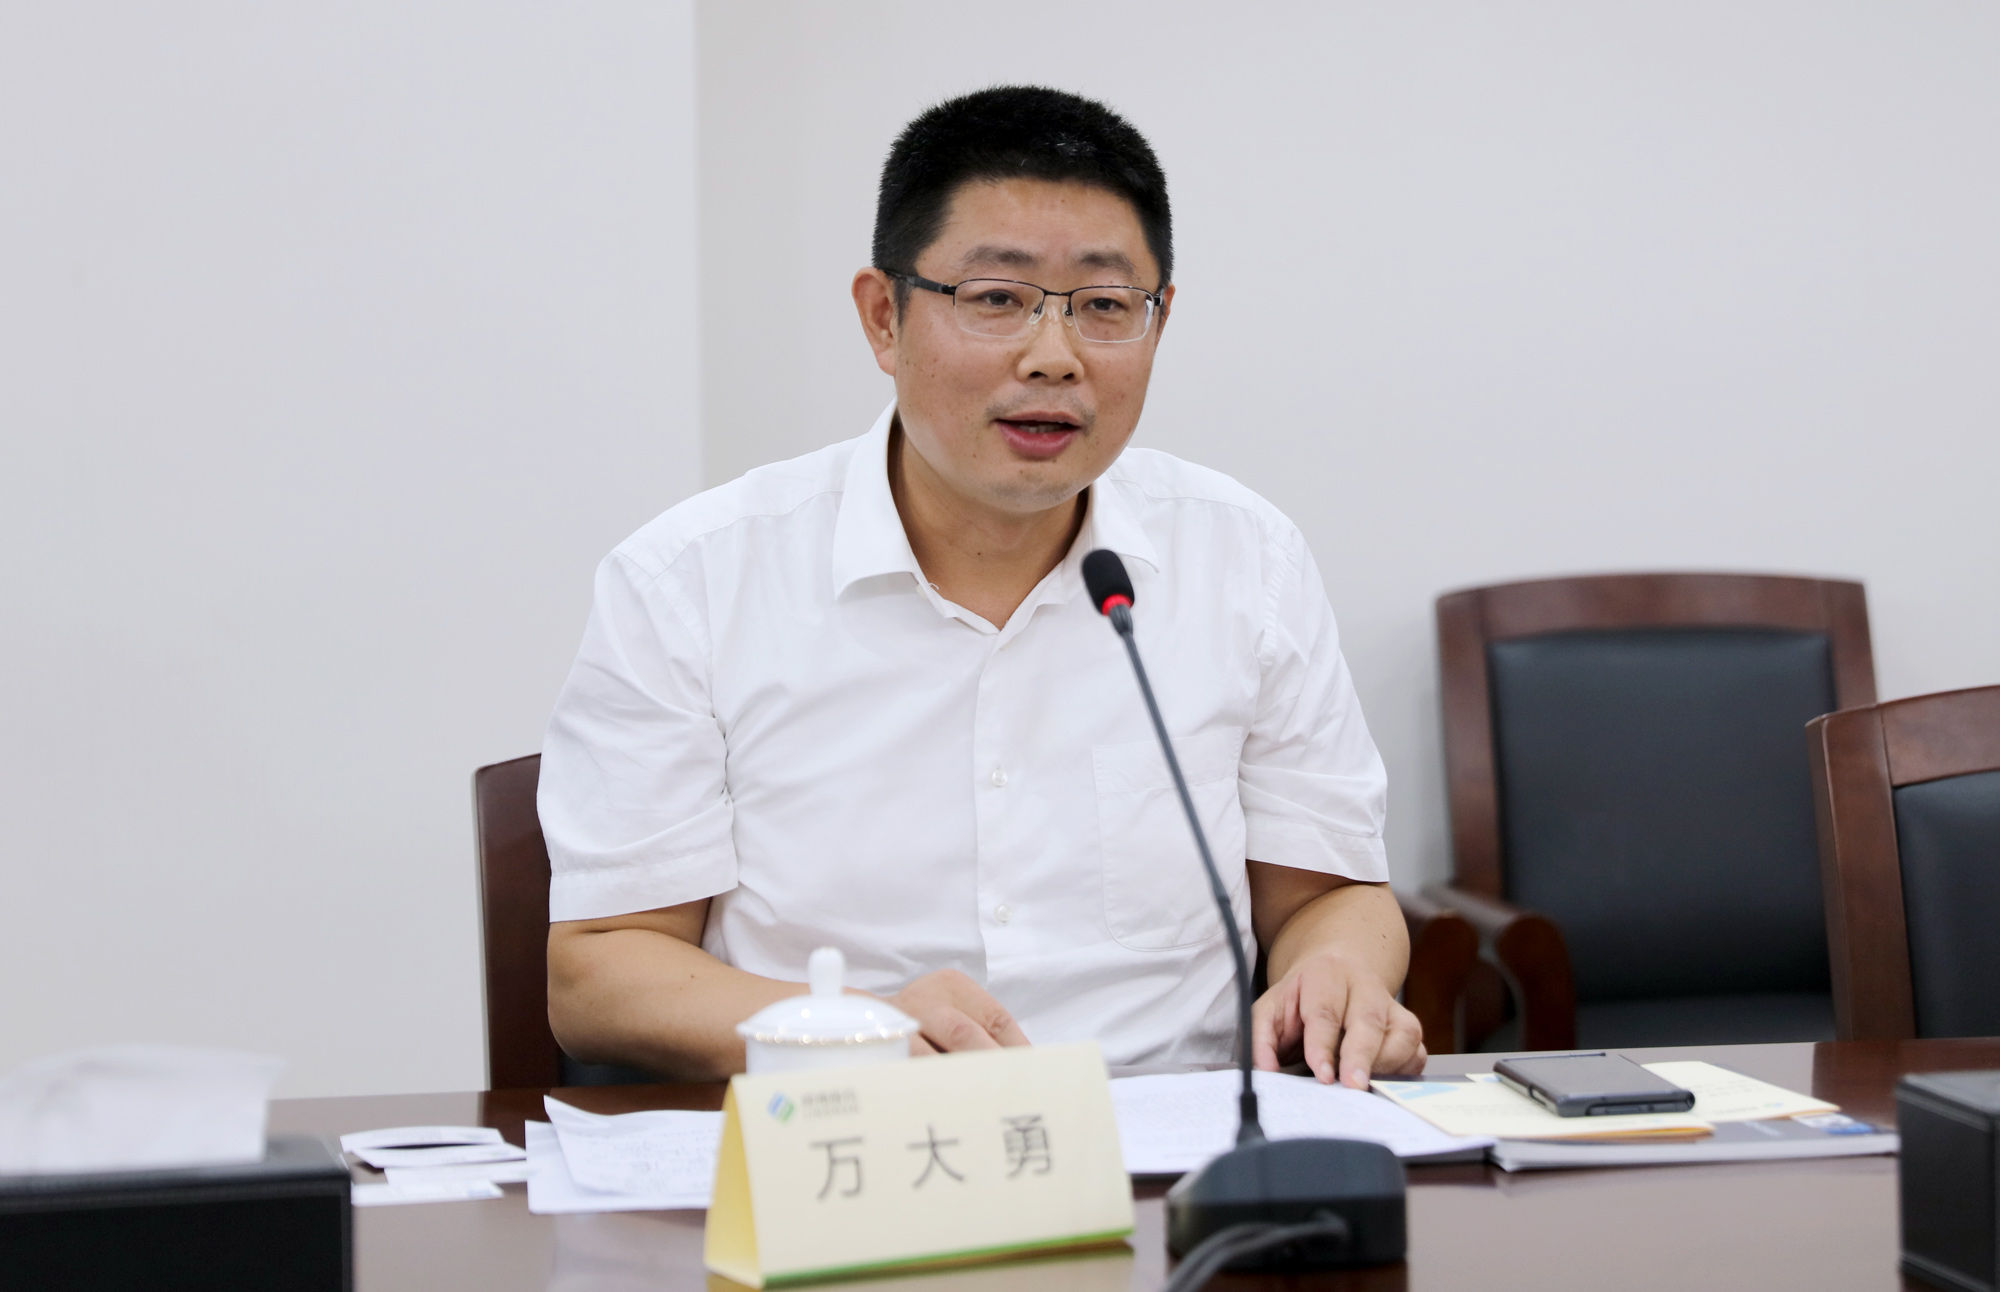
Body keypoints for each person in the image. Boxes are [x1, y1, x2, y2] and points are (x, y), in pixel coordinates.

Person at [540, 85, 1426, 1090]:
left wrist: (1337, 972)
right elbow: (600, 967)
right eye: (996, 299)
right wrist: (851, 1029)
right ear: (884, 317)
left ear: (1159, 320)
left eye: (1104, 307)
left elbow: (1326, 896)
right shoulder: (691, 581)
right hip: (844, 1134)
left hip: (1172, 1143)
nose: (1053, 359)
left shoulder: (1246, 559)